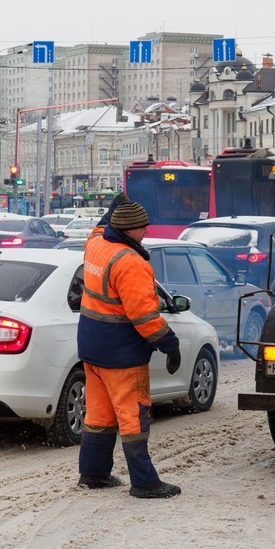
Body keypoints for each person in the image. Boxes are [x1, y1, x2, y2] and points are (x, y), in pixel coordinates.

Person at [76, 194, 183, 499]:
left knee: (98, 415)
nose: (146, 231)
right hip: (122, 354)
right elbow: (144, 316)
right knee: (133, 416)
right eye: (142, 227)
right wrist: (169, 344)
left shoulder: (96, 247)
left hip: (92, 349)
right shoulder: (131, 263)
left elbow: (98, 228)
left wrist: (115, 208)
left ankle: (94, 474)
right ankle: (144, 481)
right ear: (128, 230)